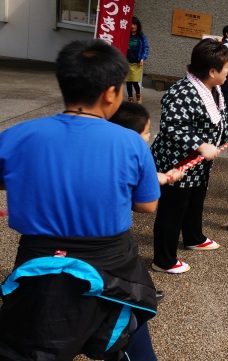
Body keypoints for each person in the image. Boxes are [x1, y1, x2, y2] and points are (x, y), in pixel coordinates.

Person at [0, 39, 160, 359]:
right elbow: (146, 205)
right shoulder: (131, 143)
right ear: (111, 93)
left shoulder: (15, 136)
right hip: (112, 267)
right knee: (132, 348)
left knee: (33, 350)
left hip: (38, 265)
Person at [151, 38, 228, 273]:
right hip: (177, 165)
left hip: (199, 165)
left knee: (195, 201)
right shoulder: (181, 92)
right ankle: (163, 260)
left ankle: (193, 237)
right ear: (212, 71)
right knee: (173, 209)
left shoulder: (213, 89)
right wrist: (200, 145)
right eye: (227, 67)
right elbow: (172, 127)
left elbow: (218, 121)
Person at [108, 101, 186, 361]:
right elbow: (146, 205)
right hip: (106, 251)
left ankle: (146, 292)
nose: (149, 136)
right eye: (146, 132)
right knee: (127, 320)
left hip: (48, 253)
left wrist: (160, 176)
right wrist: (154, 180)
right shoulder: (132, 153)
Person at [125, 16, 149, 103]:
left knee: (135, 81)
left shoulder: (141, 36)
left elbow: (146, 47)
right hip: (127, 61)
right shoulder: (126, 35)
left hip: (137, 62)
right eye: (131, 24)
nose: (132, 26)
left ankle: (138, 95)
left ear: (137, 25)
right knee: (128, 81)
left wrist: (143, 58)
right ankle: (130, 98)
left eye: (134, 24)